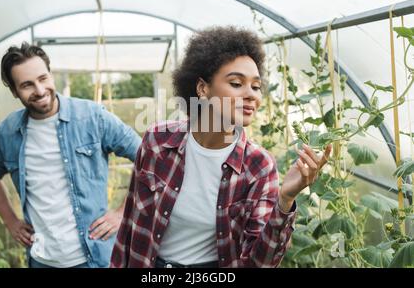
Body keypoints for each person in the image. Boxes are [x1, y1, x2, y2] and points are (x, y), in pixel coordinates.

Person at [111, 26, 332, 268]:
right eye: (236, 83)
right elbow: (130, 226)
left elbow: (260, 263)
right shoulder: (157, 141)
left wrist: (286, 199)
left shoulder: (258, 166)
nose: (251, 95)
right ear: (202, 88)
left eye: (256, 87)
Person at [0, 42, 141, 268]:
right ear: (14, 91)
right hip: (41, 259)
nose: (39, 90)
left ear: (51, 74)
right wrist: (11, 222)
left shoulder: (92, 117)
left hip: (93, 257)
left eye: (43, 78)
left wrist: (122, 213)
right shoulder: (8, 132)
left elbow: (148, 158)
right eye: (27, 85)